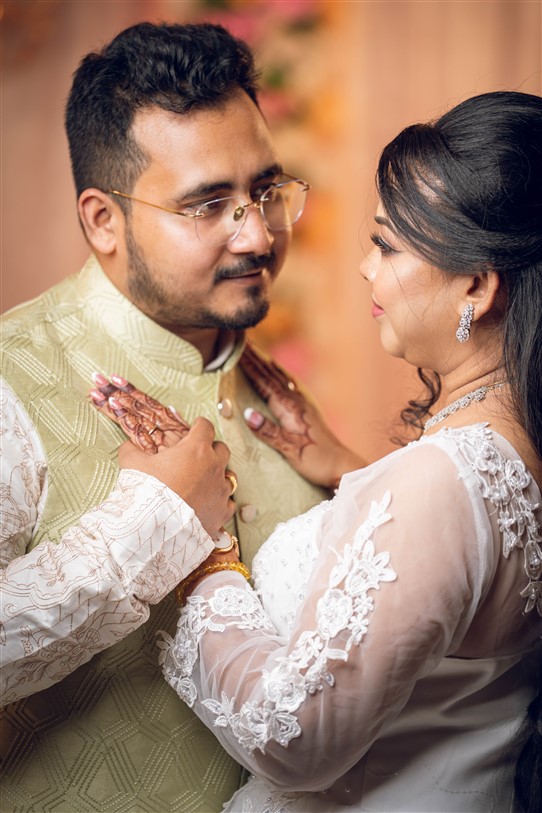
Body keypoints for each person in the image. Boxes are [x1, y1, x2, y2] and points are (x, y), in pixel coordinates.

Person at [96, 90, 542, 812]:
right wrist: (349, 471)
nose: (367, 267)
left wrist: (207, 555)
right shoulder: (513, 451)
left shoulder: (439, 483)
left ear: (476, 286)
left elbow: (294, 737)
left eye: (388, 245)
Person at [0, 21, 362, 813]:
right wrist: (156, 519)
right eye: (208, 205)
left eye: (265, 191)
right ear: (103, 220)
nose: (258, 233)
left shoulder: (273, 391)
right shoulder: (10, 377)